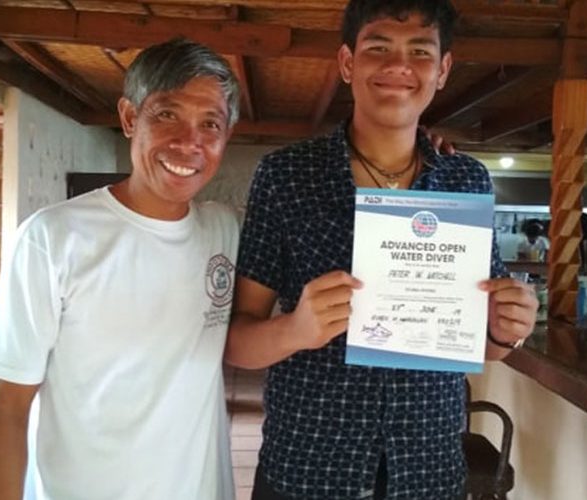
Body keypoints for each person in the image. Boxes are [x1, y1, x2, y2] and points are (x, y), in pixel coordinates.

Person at [225, 1, 539, 499]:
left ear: (443, 70)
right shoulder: (286, 176)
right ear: (347, 63)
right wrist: (295, 329)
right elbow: (236, 342)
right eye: (378, 48)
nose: (399, 65)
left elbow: (479, 345)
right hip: (309, 466)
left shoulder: (465, 181)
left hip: (428, 470)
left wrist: (506, 331)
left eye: (420, 51)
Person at [0, 38, 241, 500]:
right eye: (167, 114)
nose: (189, 142)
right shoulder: (53, 238)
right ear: (130, 117)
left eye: (210, 124)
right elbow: (5, 405)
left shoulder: (223, 231)